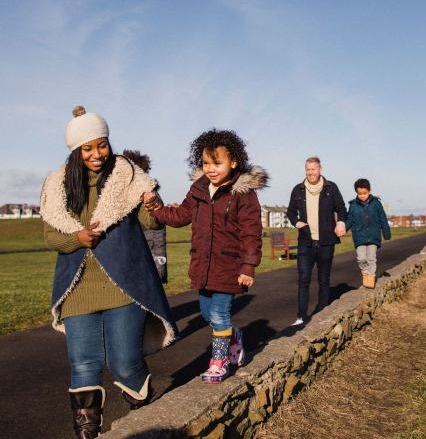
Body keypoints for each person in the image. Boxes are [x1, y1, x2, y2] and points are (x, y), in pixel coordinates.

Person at [40, 107, 178, 439]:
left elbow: (152, 223)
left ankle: (140, 394)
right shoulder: (58, 184)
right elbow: (51, 237)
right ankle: (86, 430)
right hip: (78, 289)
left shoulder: (128, 176)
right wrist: (78, 238)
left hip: (124, 286)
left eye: (101, 145)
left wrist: (154, 207)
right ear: (76, 150)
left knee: (124, 362)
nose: (96, 154)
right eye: (87, 148)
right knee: (84, 364)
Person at [145, 128, 267, 384]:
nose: (211, 169)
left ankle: (218, 362)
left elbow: (251, 233)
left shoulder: (244, 194)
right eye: (206, 163)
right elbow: (179, 217)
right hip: (202, 265)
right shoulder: (198, 189)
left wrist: (248, 266)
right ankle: (234, 336)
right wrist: (157, 209)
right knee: (206, 314)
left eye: (217, 163)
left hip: (229, 266)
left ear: (234, 162)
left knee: (220, 315)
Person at [286, 157, 347, 326]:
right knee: (303, 279)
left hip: (326, 241)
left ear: (320, 169)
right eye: (307, 169)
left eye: (313, 169)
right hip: (306, 242)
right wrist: (297, 223)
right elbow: (290, 212)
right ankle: (300, 317)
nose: (310, 172)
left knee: (324, 279)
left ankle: (322, 315)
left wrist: (341, 222)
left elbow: (341, 208)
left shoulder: (331, 188)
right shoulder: (298, 190)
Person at [122, 150, 168, 283]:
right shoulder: (121, 195)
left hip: (148, 254)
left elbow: (158, 230)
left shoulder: (151, 196)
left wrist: (160, 258)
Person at [345, 178, 391, 289]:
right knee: (361, 258)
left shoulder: (376, 203)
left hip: (373, 235)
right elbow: (349, 219)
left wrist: (386, 232)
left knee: (371, 258)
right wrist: (343, 229)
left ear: (369, 191)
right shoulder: (353, 205)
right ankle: (365, 272)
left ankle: (371, 277)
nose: (362, 196)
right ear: (356, 192)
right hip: (359, 235)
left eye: (364, 193)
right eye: (359, 193)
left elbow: (383, 218)